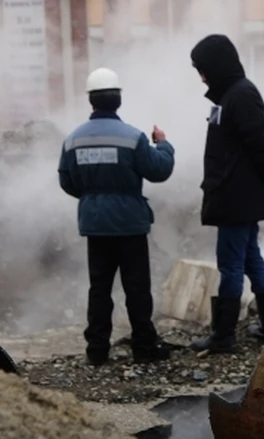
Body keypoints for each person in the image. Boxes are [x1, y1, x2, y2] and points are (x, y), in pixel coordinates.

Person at [188, 34, 264, 354]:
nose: (201, 77)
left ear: (218, 65)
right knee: (251, 259)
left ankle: (224, 337)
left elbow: (261, 144)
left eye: (203, 69)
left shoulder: (241, 96)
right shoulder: (229, 97)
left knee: (231, 265)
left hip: (236, 198)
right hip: (235, 195)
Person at [58, 67, 176, 366]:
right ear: (118, 100)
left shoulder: (73, 140)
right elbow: (159, 170)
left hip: (95, 227)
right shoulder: (133, 137)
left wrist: (93, 198)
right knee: (137, 288)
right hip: (129, 225)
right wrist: (162, 143)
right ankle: (144, 348)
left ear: (91, 101)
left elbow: (67, 181)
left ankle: (97, 350)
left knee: (99, 289)